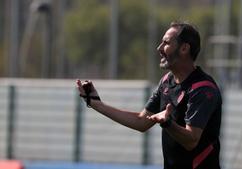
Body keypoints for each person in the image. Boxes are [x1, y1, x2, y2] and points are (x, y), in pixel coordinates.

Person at [76, 21, 222, 169]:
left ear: (184, 48)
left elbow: (191, 141)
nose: (159, 48)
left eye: (166, 43)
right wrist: (96, 104)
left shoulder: (203, 88)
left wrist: (168, 124)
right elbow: (141, 121)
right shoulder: (166, 81)